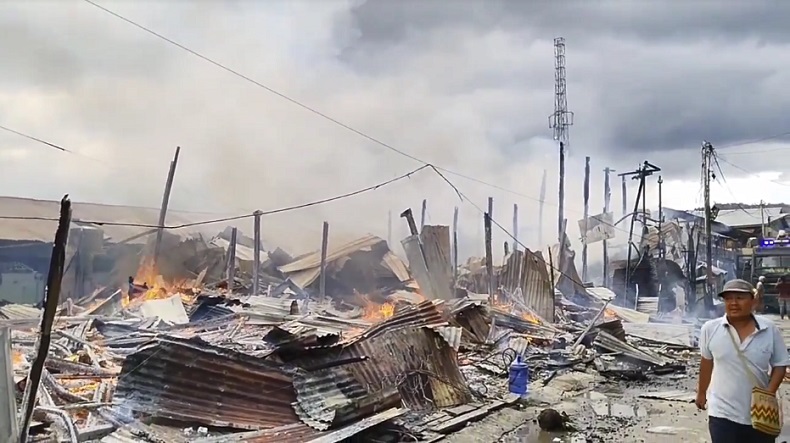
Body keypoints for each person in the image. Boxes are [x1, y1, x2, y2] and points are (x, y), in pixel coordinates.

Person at [696, 278, 789, 442]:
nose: (733, 303)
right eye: (728, 298)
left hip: (761, 414)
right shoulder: (710, 329)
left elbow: (780, 364)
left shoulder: (769, 329)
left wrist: (769, 393)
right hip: (721, 413)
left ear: (753, 300)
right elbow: (706, 363)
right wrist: (701, 393)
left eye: (739, 298)